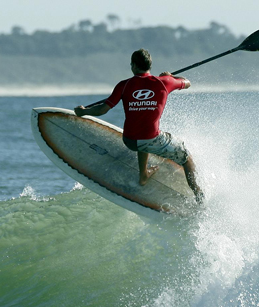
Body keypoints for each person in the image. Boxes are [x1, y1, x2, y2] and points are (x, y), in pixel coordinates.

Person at [74, 48, 204, 203]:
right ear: (149, 65)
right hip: (151, 139)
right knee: (186, 158)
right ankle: (200, 196)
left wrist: (84, 112)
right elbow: (187, 83)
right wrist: (170, 76)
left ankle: (143, 175)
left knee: (144, 135)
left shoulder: (124, 85)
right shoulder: (164, 82)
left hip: (129, 140)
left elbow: (103, 109)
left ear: (134, 66)